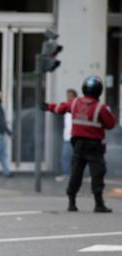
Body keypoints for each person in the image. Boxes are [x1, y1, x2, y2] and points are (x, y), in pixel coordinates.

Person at [44, 75, 116, 213]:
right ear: (99, 90)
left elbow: (60, 108)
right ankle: (99, 204)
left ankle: (72, 203)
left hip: (78, 145)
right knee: (97, 173)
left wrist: (48, 106)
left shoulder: (75, 103)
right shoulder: (101, 107)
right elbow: (111, 124)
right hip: (94, 147)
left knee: (76, 173)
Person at [56, 89, 78, 182]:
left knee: (77, 158)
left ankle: (76, 176)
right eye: (67, 96)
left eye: (70, 96)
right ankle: (66, 174)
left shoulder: (77, 107)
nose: (68, 98)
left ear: (74, 97)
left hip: (76, 138)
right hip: (67, 137)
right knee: (65, 157)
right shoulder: (66, 108)